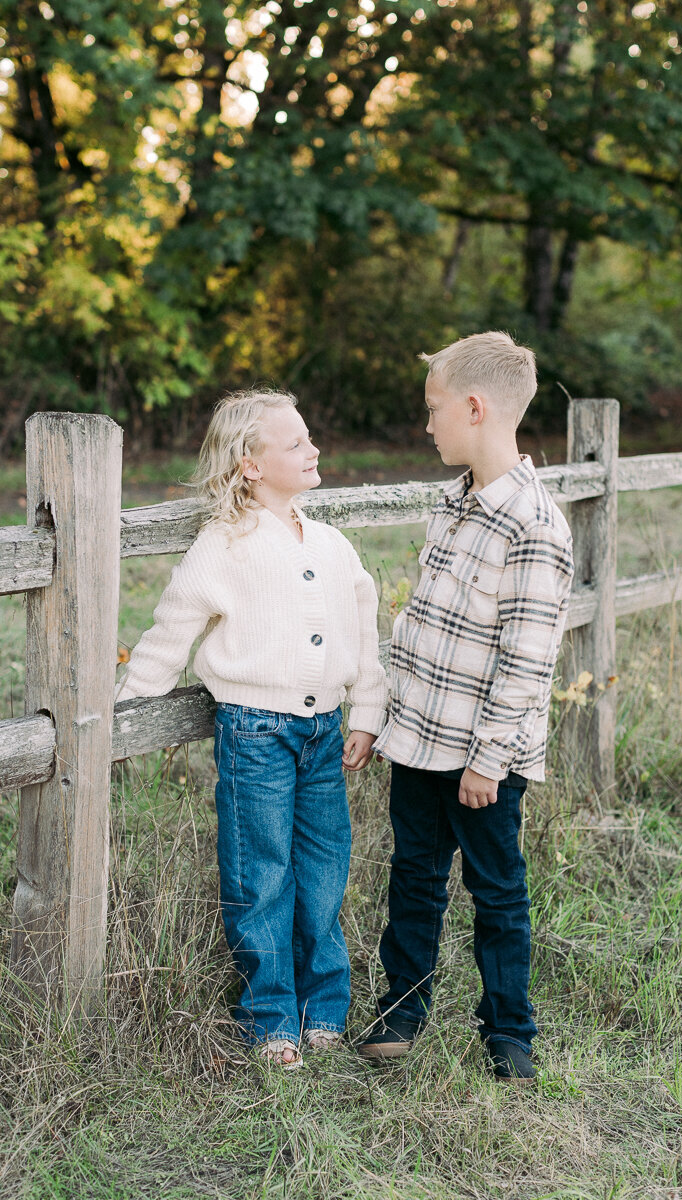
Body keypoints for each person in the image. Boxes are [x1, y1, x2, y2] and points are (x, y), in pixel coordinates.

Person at [115, 389, 386, 1070]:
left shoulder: (329, 543)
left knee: (324, 871)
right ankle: (270, 1019)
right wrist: (126, 710)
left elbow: (364, 634)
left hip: (325, 732)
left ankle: (323, 1008)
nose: (312, 449)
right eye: (294, 443)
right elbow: (171, 627)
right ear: (250, 466)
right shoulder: (224, 544)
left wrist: (369, 712)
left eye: (308, 437)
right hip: (254, 733)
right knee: (260, 875)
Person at [358, 331, 574, 1082]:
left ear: (475, 408)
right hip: (420, 739)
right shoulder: (452, 505)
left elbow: (525, 658)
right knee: (413, 874)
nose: (426, 425)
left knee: (495, 889)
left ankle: (508, 1028)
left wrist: (487, 760)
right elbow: (419, 626)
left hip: (482, 756)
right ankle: (402, 1006)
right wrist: (386, 720)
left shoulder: (533, 524)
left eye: (433, 409)